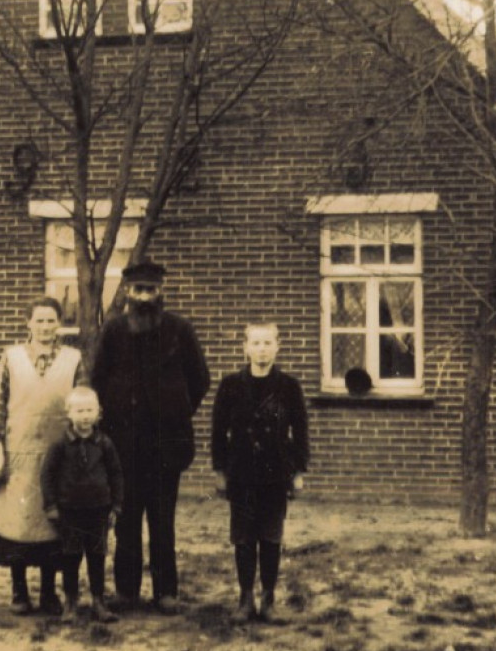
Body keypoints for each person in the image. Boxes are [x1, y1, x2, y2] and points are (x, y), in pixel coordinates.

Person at [91, 260, 211, 613]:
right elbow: (97, 380)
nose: (144, 296)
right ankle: (126, 591)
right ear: (127, 292)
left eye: (151, 290)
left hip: (166, 445)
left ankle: (165, 592)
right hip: (122, 446)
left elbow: (199, 379)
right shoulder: (112, 332)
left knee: (163, 520)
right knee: (125, 520)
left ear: (162, 292)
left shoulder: (180, 330)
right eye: (138, 290)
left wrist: (174, 410)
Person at [0, 296, 86, 615]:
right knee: (18, 522)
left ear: (59, 324)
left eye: (51, 320)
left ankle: (48, 592)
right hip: (18, 453)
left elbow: (82, 404)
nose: (45, 327)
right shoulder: (12, 357)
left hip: (57, 457)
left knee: (52, 523)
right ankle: (19, 591)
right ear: (28, 323)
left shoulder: (73, 359)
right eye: (39, 320)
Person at [211, 322, 309, 624]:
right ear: (245, 348)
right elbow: (218, 433)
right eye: (256, 343)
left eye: (268, 343)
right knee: (243, 538)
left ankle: (268, 598)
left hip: (275, 474)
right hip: (241, 473)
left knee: (270, 537)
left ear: (278, 346)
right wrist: (220, 470)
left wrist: (298, 471)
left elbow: (300, 431)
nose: (262, 349)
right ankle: (245, 598)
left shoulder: (289, 387)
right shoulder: (230, 385)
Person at [40, 386, 123, 623]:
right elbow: (47, 476)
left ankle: (98, 602)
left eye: (90, 410)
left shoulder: (104, 443)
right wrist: (51, 506)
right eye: (79, 410)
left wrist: (116, 506)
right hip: (70, 512)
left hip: (98, 511)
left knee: (97, 556)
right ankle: (71, 603)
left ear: (98, 413)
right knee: (71, 557)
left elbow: (116, 474)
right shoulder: (60, 445)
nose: (85, 416)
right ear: (69, 413)